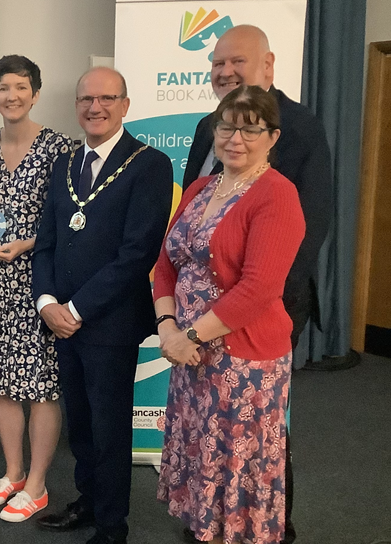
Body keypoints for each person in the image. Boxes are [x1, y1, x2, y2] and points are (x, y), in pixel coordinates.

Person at [182, 26, 332, 543]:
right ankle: (213, 523)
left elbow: (309, 230)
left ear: (268, 66)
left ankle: (270, 530)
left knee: (257, 440)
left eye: (237, 62)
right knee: (210, 437)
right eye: (217, 63)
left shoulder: (299, 127)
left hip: (257, 325)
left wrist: (246, 309)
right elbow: (189, 223)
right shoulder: (208, 126)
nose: (226, 71)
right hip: (198, 334)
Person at [154, 85, 305, 544]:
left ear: (272, 136)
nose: (235, 138)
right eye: (226, 126)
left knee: (239, 466)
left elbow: (259, 289)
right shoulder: (201, 187)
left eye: (250, 128)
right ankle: (206, 531)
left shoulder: (277, 195)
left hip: (244, 359)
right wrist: (167, 327)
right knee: (204, 454)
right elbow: (165, 264)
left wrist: (190, 337)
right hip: (190, 353)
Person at [32, 67, 173, 544]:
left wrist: (78, 309)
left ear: (125, 105)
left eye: (106, 98)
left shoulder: (150, 164)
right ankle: (88, 502)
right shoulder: (65, 163)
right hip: (61, 320)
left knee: (110, 428)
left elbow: (138, 253)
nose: (95, 107)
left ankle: (112, 527)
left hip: (109, 322)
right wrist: (48, 301)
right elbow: (47, 241)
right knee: (82, 426)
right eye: (86, 99)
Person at [0, 55, 71, 523]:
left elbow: (66, 222)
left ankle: (37, 482)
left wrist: (25, 244)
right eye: (3, 87)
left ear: (35, 92)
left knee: (40, 383)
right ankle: (12, 471)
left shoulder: (58, 148)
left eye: (21, 87)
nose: (12, 95)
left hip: (39, 279)